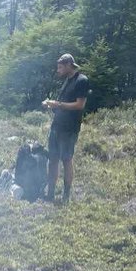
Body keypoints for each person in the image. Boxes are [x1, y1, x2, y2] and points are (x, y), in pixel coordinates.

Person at [42, 53, 90, 203]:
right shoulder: (67, 80)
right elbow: (63, 103)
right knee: (53, 158)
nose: (58, 70)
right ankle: (50, 193)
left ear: (69, 65)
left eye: (60, 67)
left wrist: (59, 105)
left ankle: (66, 196)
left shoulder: (81, 81)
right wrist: (52, 104)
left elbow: (80, 104)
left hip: (69, 129)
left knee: (66, 159)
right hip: (56, 126)